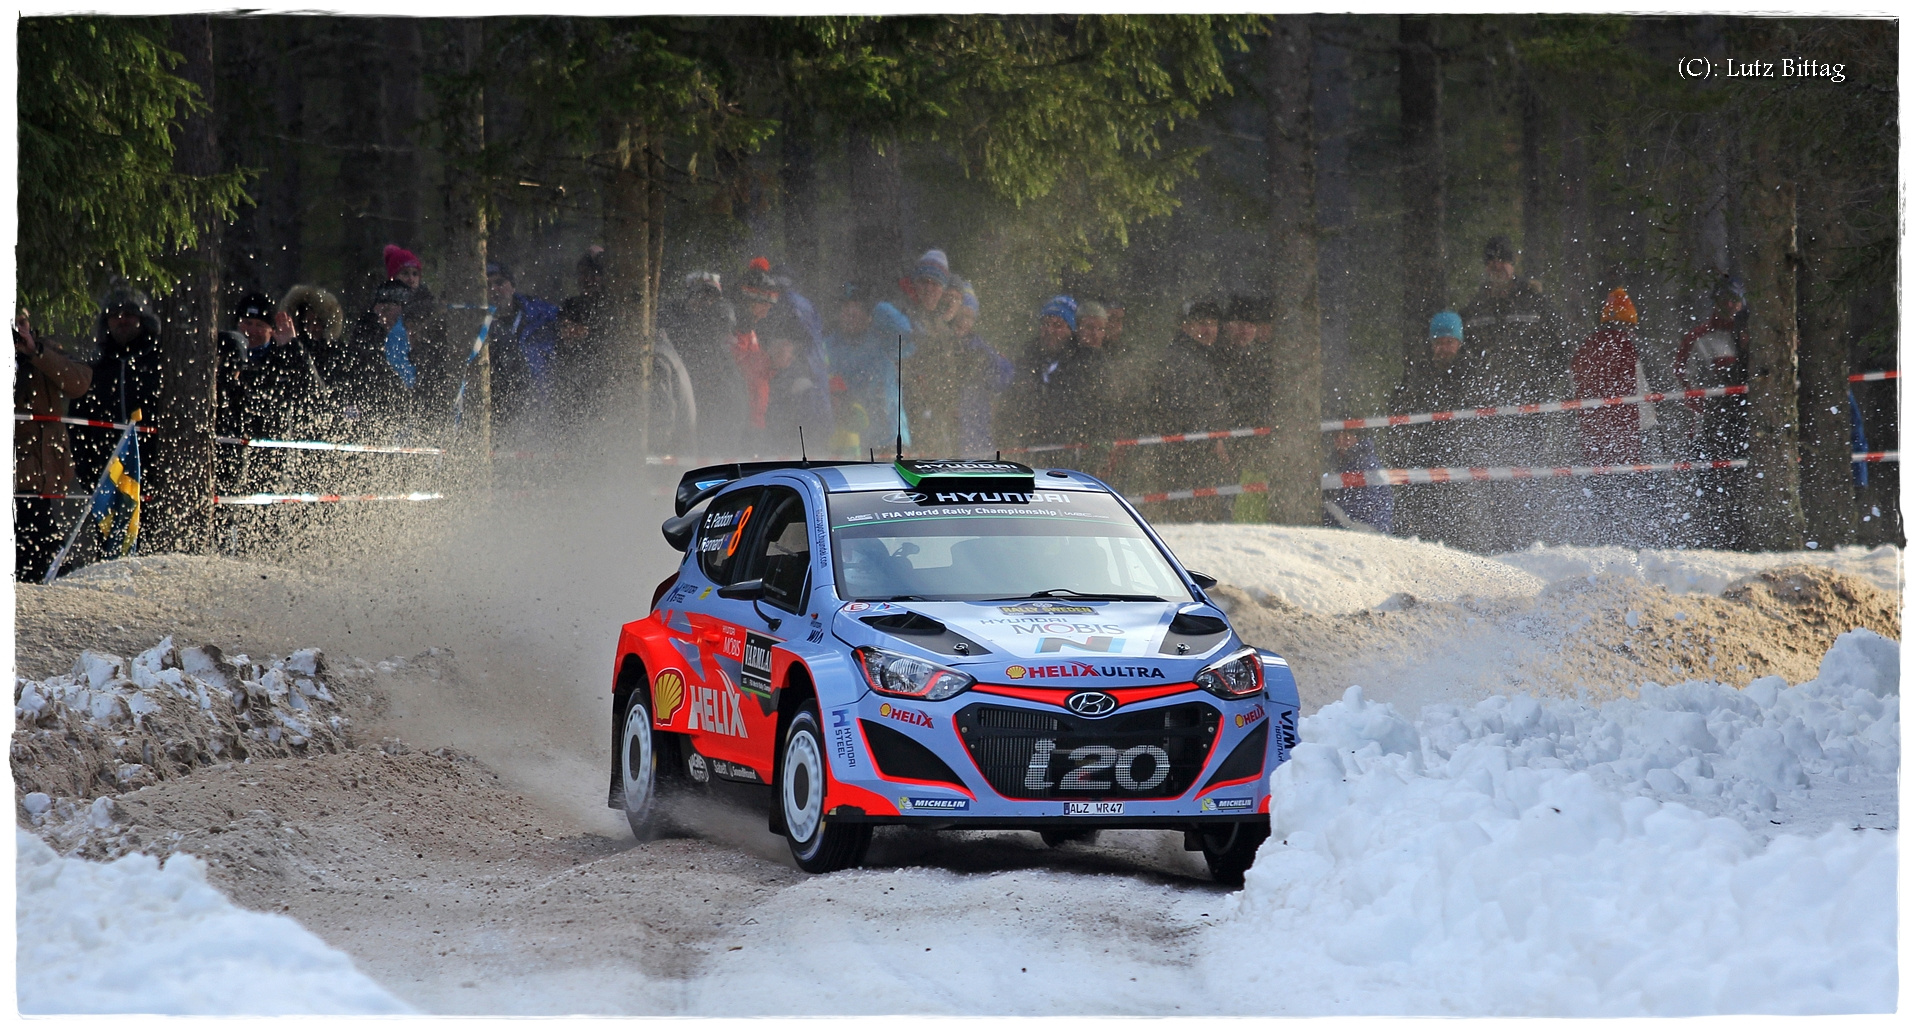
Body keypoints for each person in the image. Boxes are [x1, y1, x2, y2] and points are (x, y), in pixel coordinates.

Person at [1458, 235, 1573, 549]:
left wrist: (1543, 382)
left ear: (1513, 263)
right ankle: (1503, 543)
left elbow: (1564, 347)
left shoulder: (1535, 302)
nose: (1498, 266)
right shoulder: (1475, 306)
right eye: (1491, 260)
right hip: (1489, 409)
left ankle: (1529, 543)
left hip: (1528, 409)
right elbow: (1464, 354)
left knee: (1526, 475)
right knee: (1495, 480)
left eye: (1503, 259)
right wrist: (1475, 388)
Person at [1386, 310, 1483, 545]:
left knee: (1460, 524)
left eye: (1449, 342)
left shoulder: (1473, 372)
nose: (1443, 348)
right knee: (1417, 523)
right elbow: (1400, 407)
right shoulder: (1419, 372)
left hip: (1460, 459)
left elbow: (1479, 413)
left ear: (1459, 343)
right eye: (1438, 343)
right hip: (1421, 457)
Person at [216, 291, 328, 490]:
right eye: (247, 323)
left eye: (260, 325)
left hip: (271, 462)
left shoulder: (283, 358)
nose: (252, 330)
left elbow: (315, 394)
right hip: (227, 457)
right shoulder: (224, 353)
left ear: (272, 330)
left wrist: (293, 346)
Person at [14, 310, 93, 581]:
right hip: (18, 471)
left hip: (41, 472)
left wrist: (35, 351)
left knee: (42, 545)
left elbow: (79, 383)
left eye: (21, 323)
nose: (16, 330)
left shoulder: (43, 352)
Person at [1147, 298, 1233, 521]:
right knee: (1189, 514)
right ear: (1186, 326)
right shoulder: (1181, 358)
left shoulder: (1205, 356)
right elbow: (1183, 407)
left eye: (1213, 324)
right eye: (1202, 323)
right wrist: (1210, 439)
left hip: (1196, 452)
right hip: (1185, 454)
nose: (1209, 330)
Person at [70, 284, 165, 484]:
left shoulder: (161, 361)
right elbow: (77, 424)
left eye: (129, 313)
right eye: (114, 315)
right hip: (105, 479)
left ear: (142, 318)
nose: (122, 320)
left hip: (153, 477)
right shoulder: (96, 367)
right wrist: (87, 472)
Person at [658, 271, 745, 459]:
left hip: (714, 409)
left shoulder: (719, 323)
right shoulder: (674, 321)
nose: (705, 303)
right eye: (701, 296)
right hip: (683, 403)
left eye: (711, 298)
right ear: (689, 296)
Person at [826, 280, 913, 456]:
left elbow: (906, 332)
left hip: (889, 440)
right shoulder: (829, 345)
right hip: (850, 443)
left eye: (857, 307)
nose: (850, 312)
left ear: (869, 314)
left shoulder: (883, 339)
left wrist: (878, 306)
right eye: (846, 307)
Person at [485, 261, 561, 436]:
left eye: (499, 283)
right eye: (488, 286)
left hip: (538, 406)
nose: (494, 290)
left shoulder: (542, 315)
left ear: (512, 286)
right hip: (494, 409)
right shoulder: (475, 323)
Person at [382, 245, 456, 424]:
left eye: (415, 274)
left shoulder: (429, 307)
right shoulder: (382, 304)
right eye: (405, 273)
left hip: (424, 381)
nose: (411, 279)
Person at [331, 279, 415, 434]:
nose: (390, 317)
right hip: (366, 415)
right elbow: (371, 369)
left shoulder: (381, 333)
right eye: (388, 309)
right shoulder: (369, 333)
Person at [951, 281, 1015, 456]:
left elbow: (1006, 376)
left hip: (977, 434)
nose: (964, 322)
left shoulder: (980, 347)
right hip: (949, 431)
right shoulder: (942, 341)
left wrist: (987, 364)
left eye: (970, 317)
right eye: (962, 315)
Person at [1323, 428, 1394, 534]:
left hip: (1367, 528)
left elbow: (1366, 505)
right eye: (1337, 437)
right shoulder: (1353, 461)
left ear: (1356, 437)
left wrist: (1330, 506)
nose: (1341, 441)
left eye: (1346, 437)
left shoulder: (1363, 464)